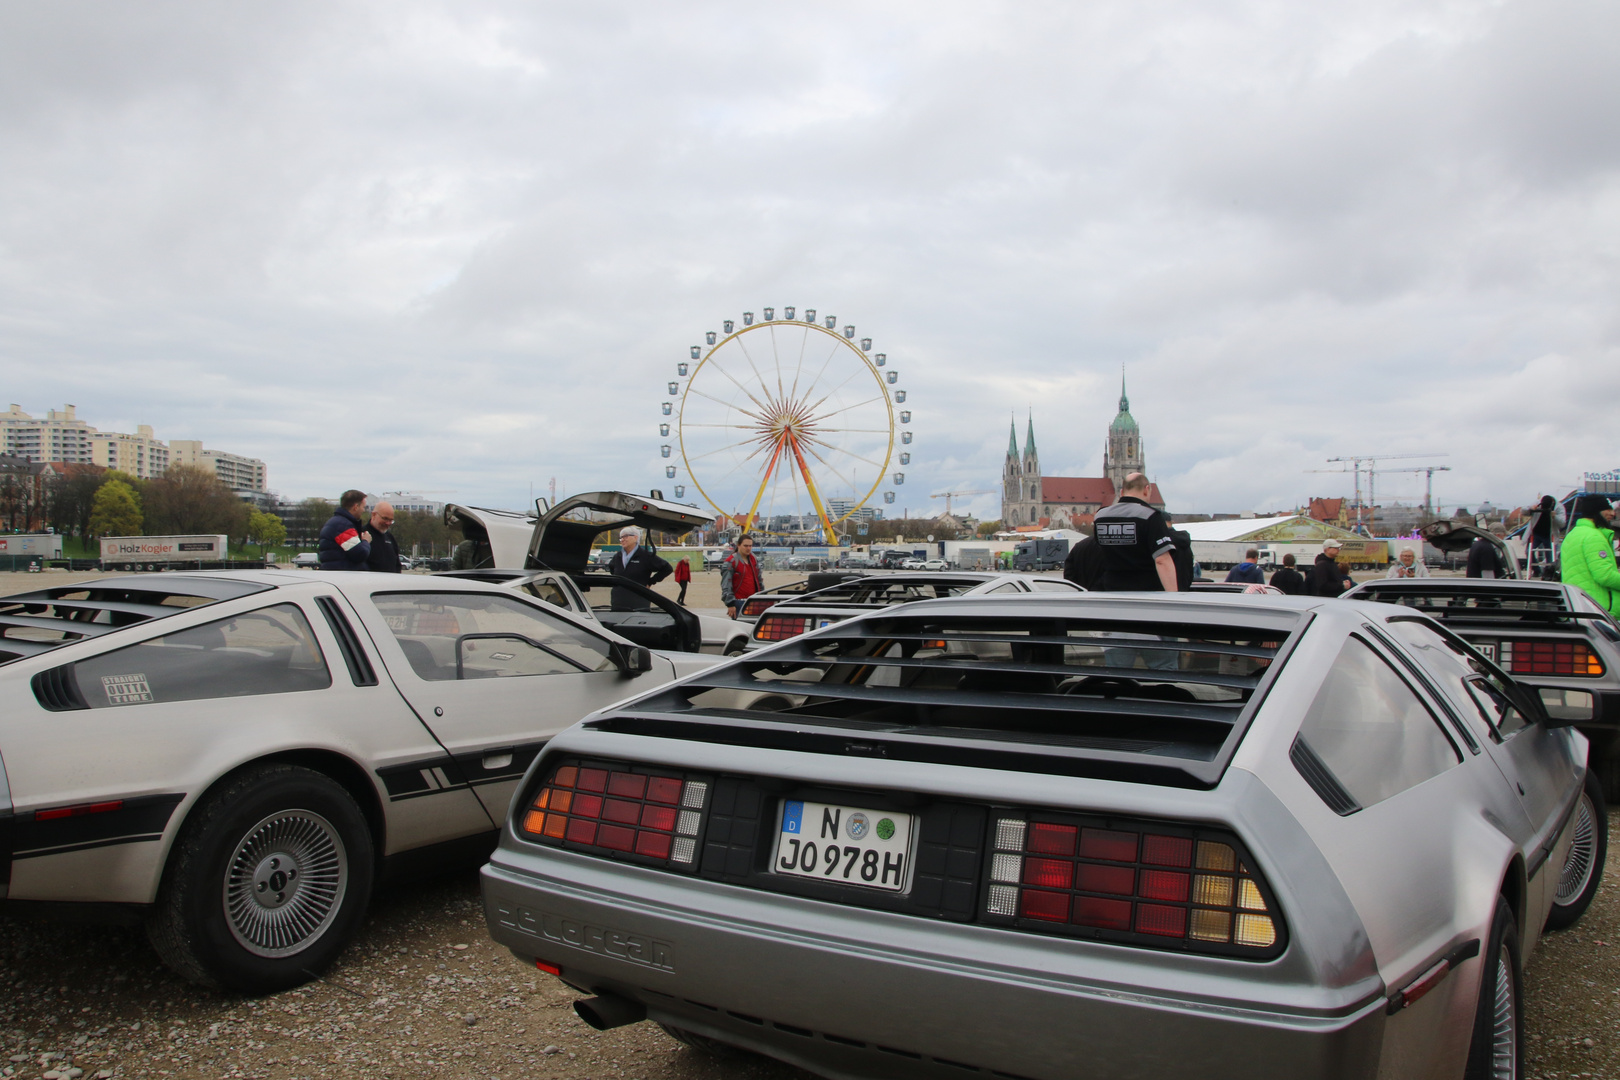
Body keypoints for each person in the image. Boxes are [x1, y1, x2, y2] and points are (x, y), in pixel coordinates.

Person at [1091, 473, 1178, 593]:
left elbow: (1099, 551)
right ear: (1146, 490)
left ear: (1121, 492)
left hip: (1110, 589)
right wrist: (1173, 595)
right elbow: (1162, 560)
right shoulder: (1151, 516)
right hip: (1145, 591)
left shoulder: (1100, 516)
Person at [1560, 494, 1620, 616]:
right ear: (1596, 511)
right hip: (1599, 609)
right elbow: (1605, 575)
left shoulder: (1573, 534)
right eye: (1607, 509)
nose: (1612, 513)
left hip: (1579, 605)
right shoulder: (1593, 537)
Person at [608, 526, 673, 611]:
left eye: (625, 536)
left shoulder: (645, 556)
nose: (622, 539)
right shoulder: (617, 556)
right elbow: (612, 568)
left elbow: (667, 568)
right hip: (618, 602)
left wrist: (650, 582)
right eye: (621, 537)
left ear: (635, 538)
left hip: (638, 602)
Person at [318, 490, 372, 571]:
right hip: (342, 575)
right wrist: (366, 541)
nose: (363, 510)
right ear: (356, 507)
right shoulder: (342, 526)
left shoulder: (337, 523)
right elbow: (359, 554)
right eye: (363, 507)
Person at [721, 535, 763, 619]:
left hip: (754, 601)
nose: (748, 548)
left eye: (750, 546)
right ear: (739, 545)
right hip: (738, 602)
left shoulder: (753, 559)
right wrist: (730, 603)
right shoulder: (731, 562)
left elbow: (759, 580)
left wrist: (762, 597)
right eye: (745, 546)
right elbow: (726, 584)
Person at [1526, 494, 1560, 580]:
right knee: (1528, 551)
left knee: (1550, 556)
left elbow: (1562, 523)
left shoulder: (1559, 507)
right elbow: (1523, 511)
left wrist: (1554, 517)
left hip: (1549, 535)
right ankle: (1536, 570)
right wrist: (1531, 509)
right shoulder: (1537, 504)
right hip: (1536, 534)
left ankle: (1549, 573)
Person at [365, 500, 401, 573]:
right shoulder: (362, 535)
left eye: (391, 520)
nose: (388, 523)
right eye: (385, 518)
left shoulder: (390, 537)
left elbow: (397, 564)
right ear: (374, 515)